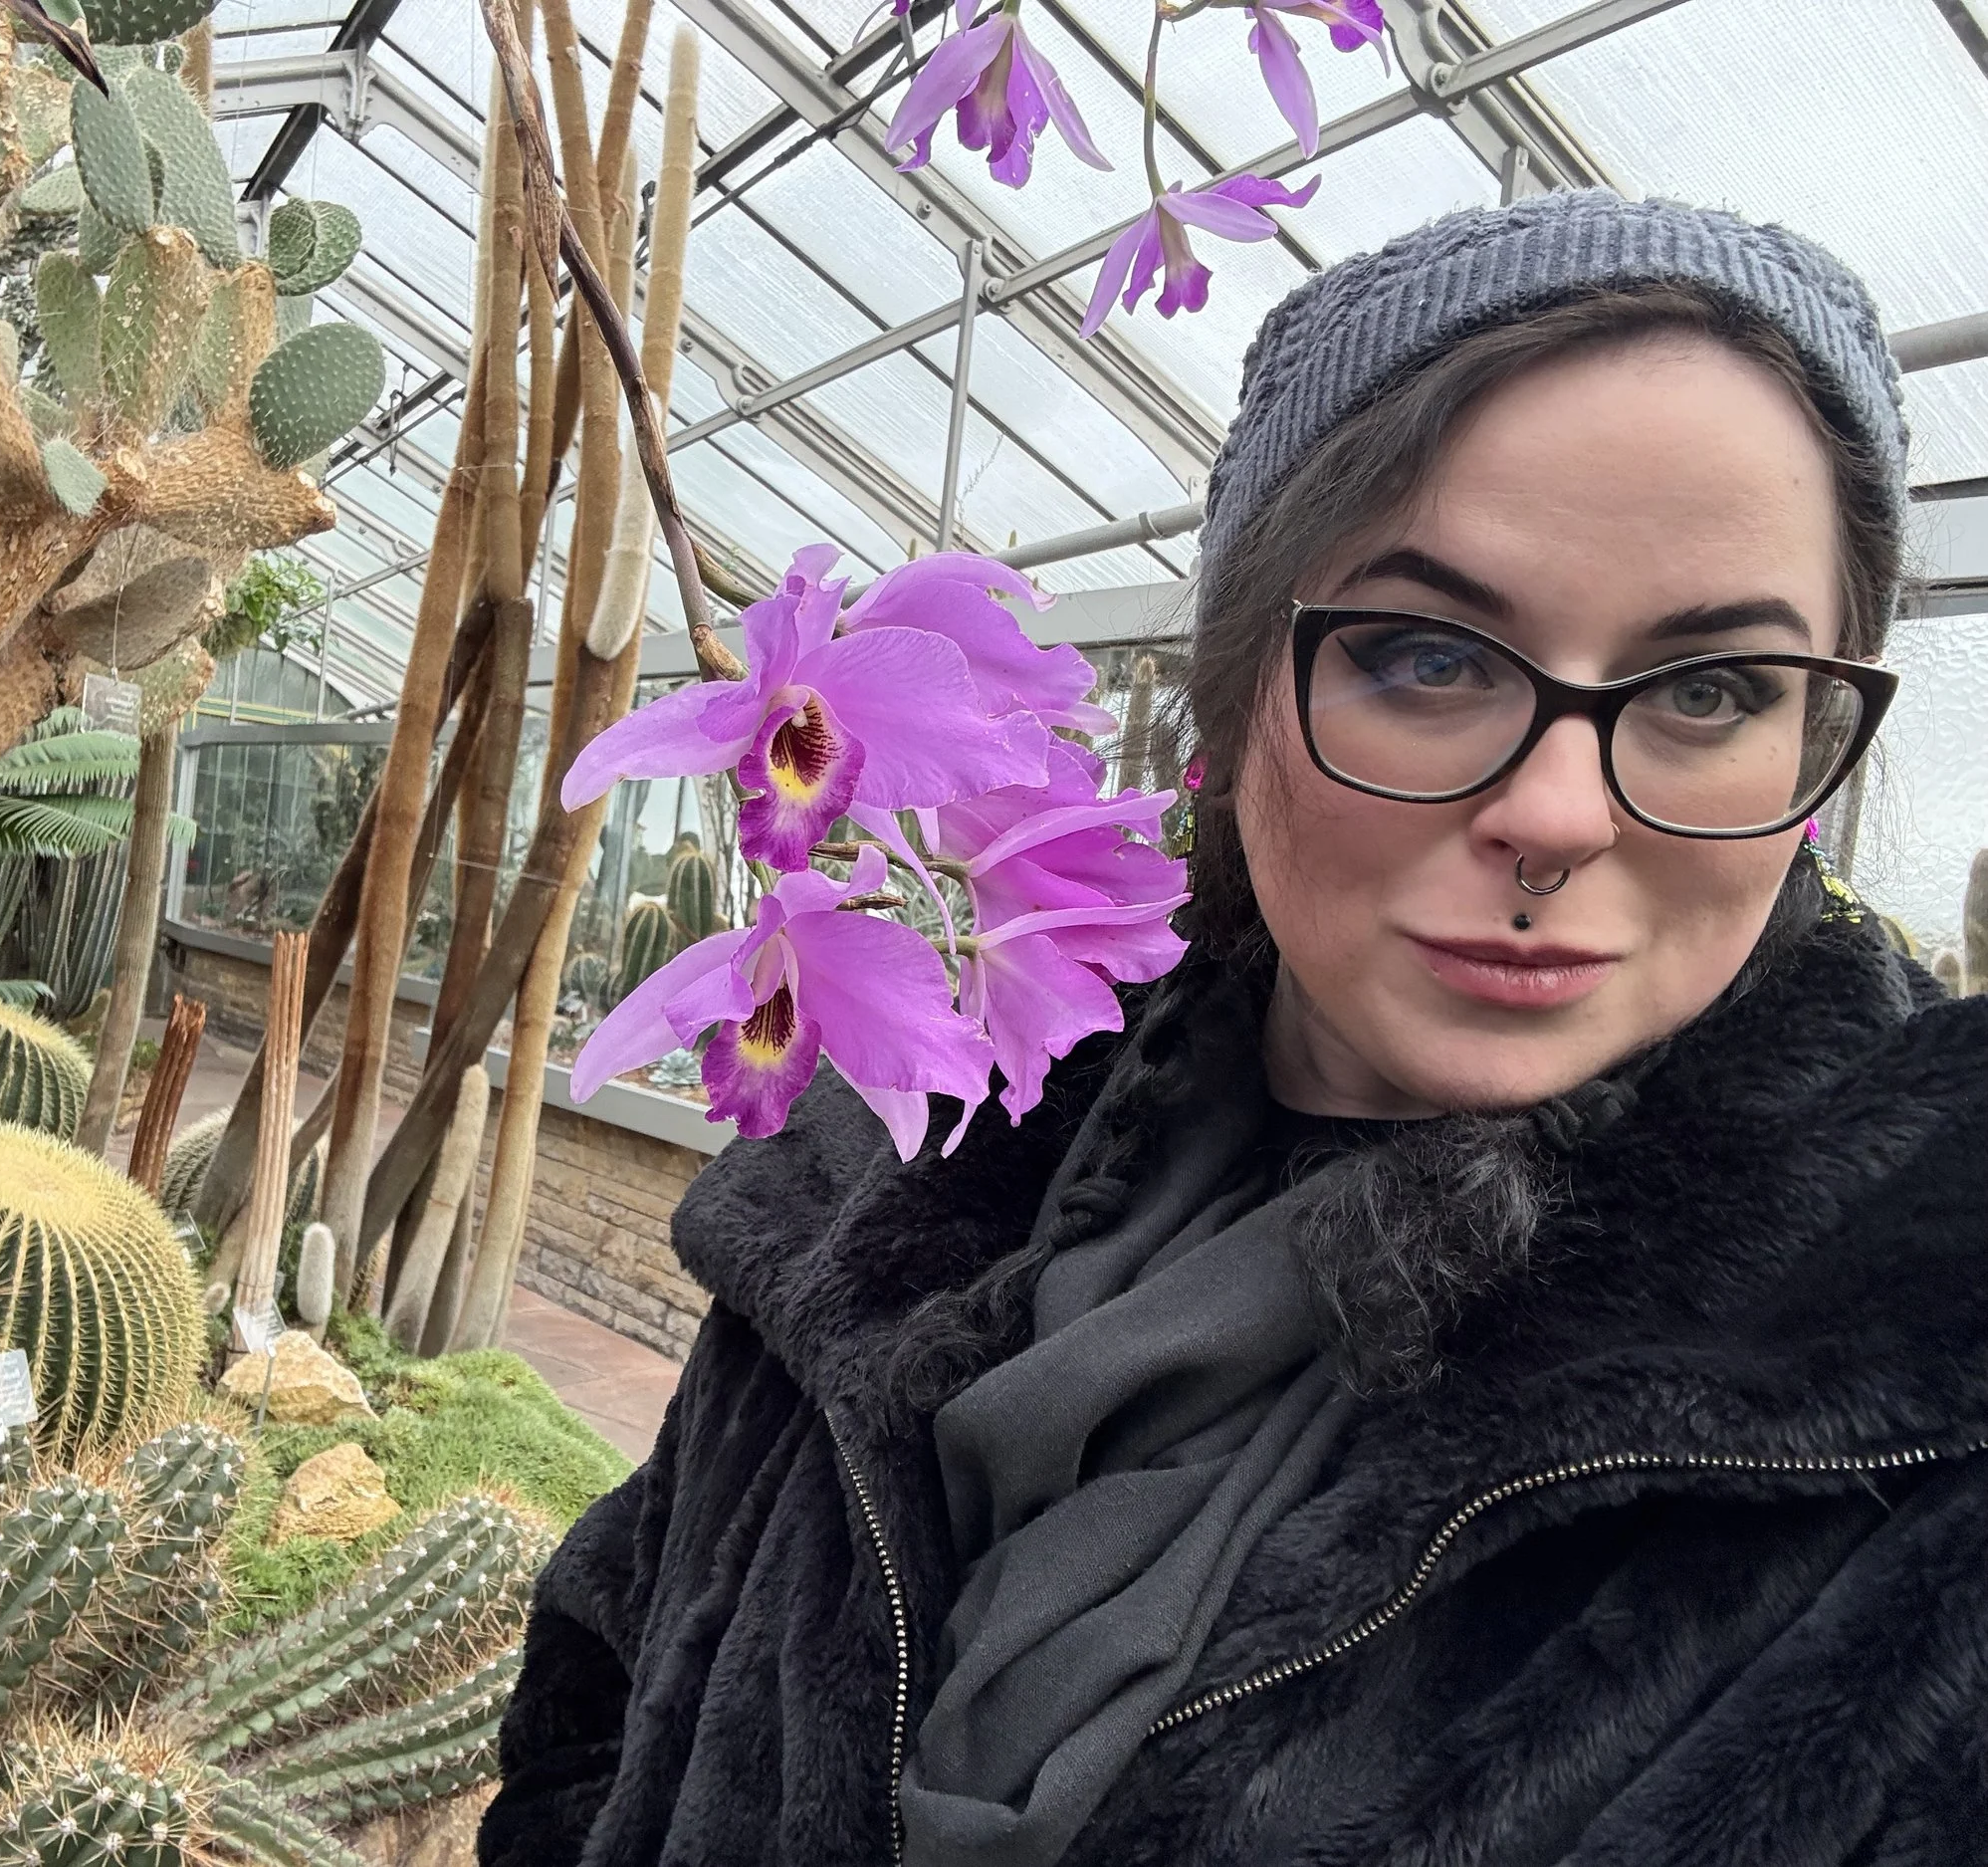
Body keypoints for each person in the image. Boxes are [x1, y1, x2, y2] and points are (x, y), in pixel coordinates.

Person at [480, 191, 1988, 1866]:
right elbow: (603, 1674)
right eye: (1427, 657)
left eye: (1714, 691)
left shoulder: (1915, 1409)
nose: (1558, 812)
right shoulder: (909, 1145)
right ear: (1230, 682)